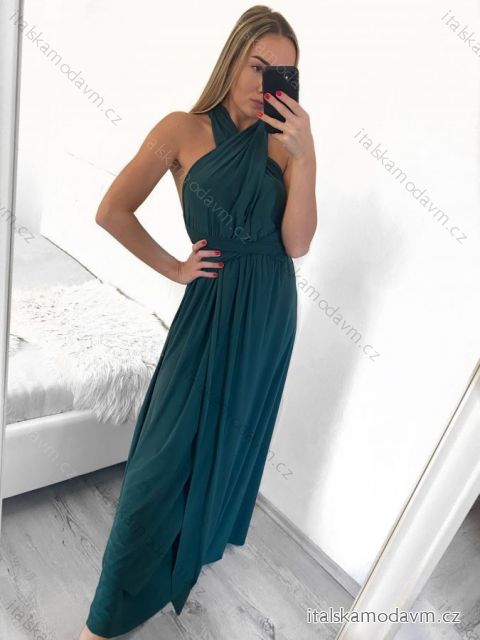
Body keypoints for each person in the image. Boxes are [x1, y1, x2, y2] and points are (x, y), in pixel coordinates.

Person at [79, 5, 316, 638]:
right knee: (160, 461)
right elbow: (112, 211)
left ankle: (191, 550)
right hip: (211, 305)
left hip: (270, 311)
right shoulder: (180, 130)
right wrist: (174, 268)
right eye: (258, 65)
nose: (266, 82)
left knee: (232, 440)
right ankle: (104, 620)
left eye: (282, 72)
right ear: (233, 59)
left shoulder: (286, 143)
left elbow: (296, 244)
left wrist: (308, 159)